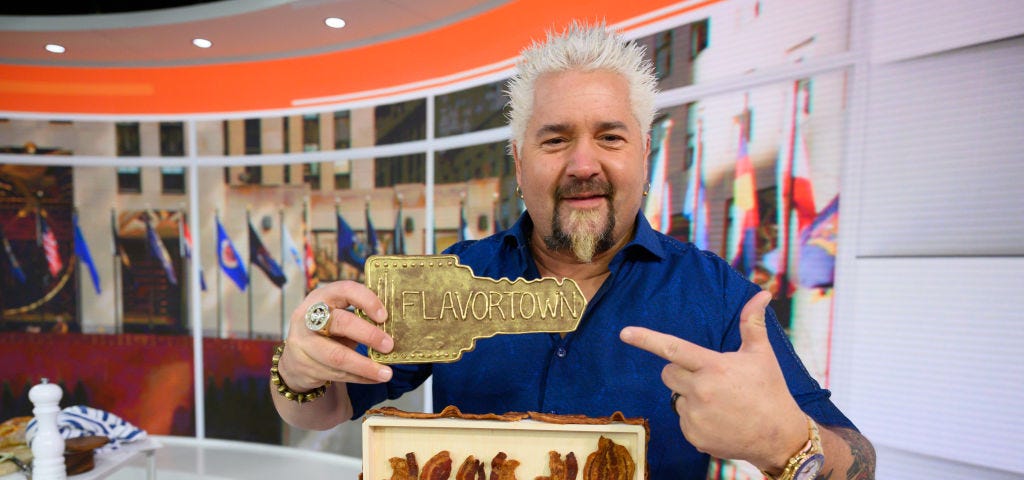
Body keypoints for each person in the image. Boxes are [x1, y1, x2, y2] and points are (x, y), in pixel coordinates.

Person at [271, 22, 875, 480]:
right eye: (555, 139)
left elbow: (859, 460)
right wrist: (296, 371)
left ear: (642, 153)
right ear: (519, 162)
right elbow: (323, 408)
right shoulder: (453, 279)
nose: (583, 164)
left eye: (609, 137)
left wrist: (786, 443)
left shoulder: (719, 299)